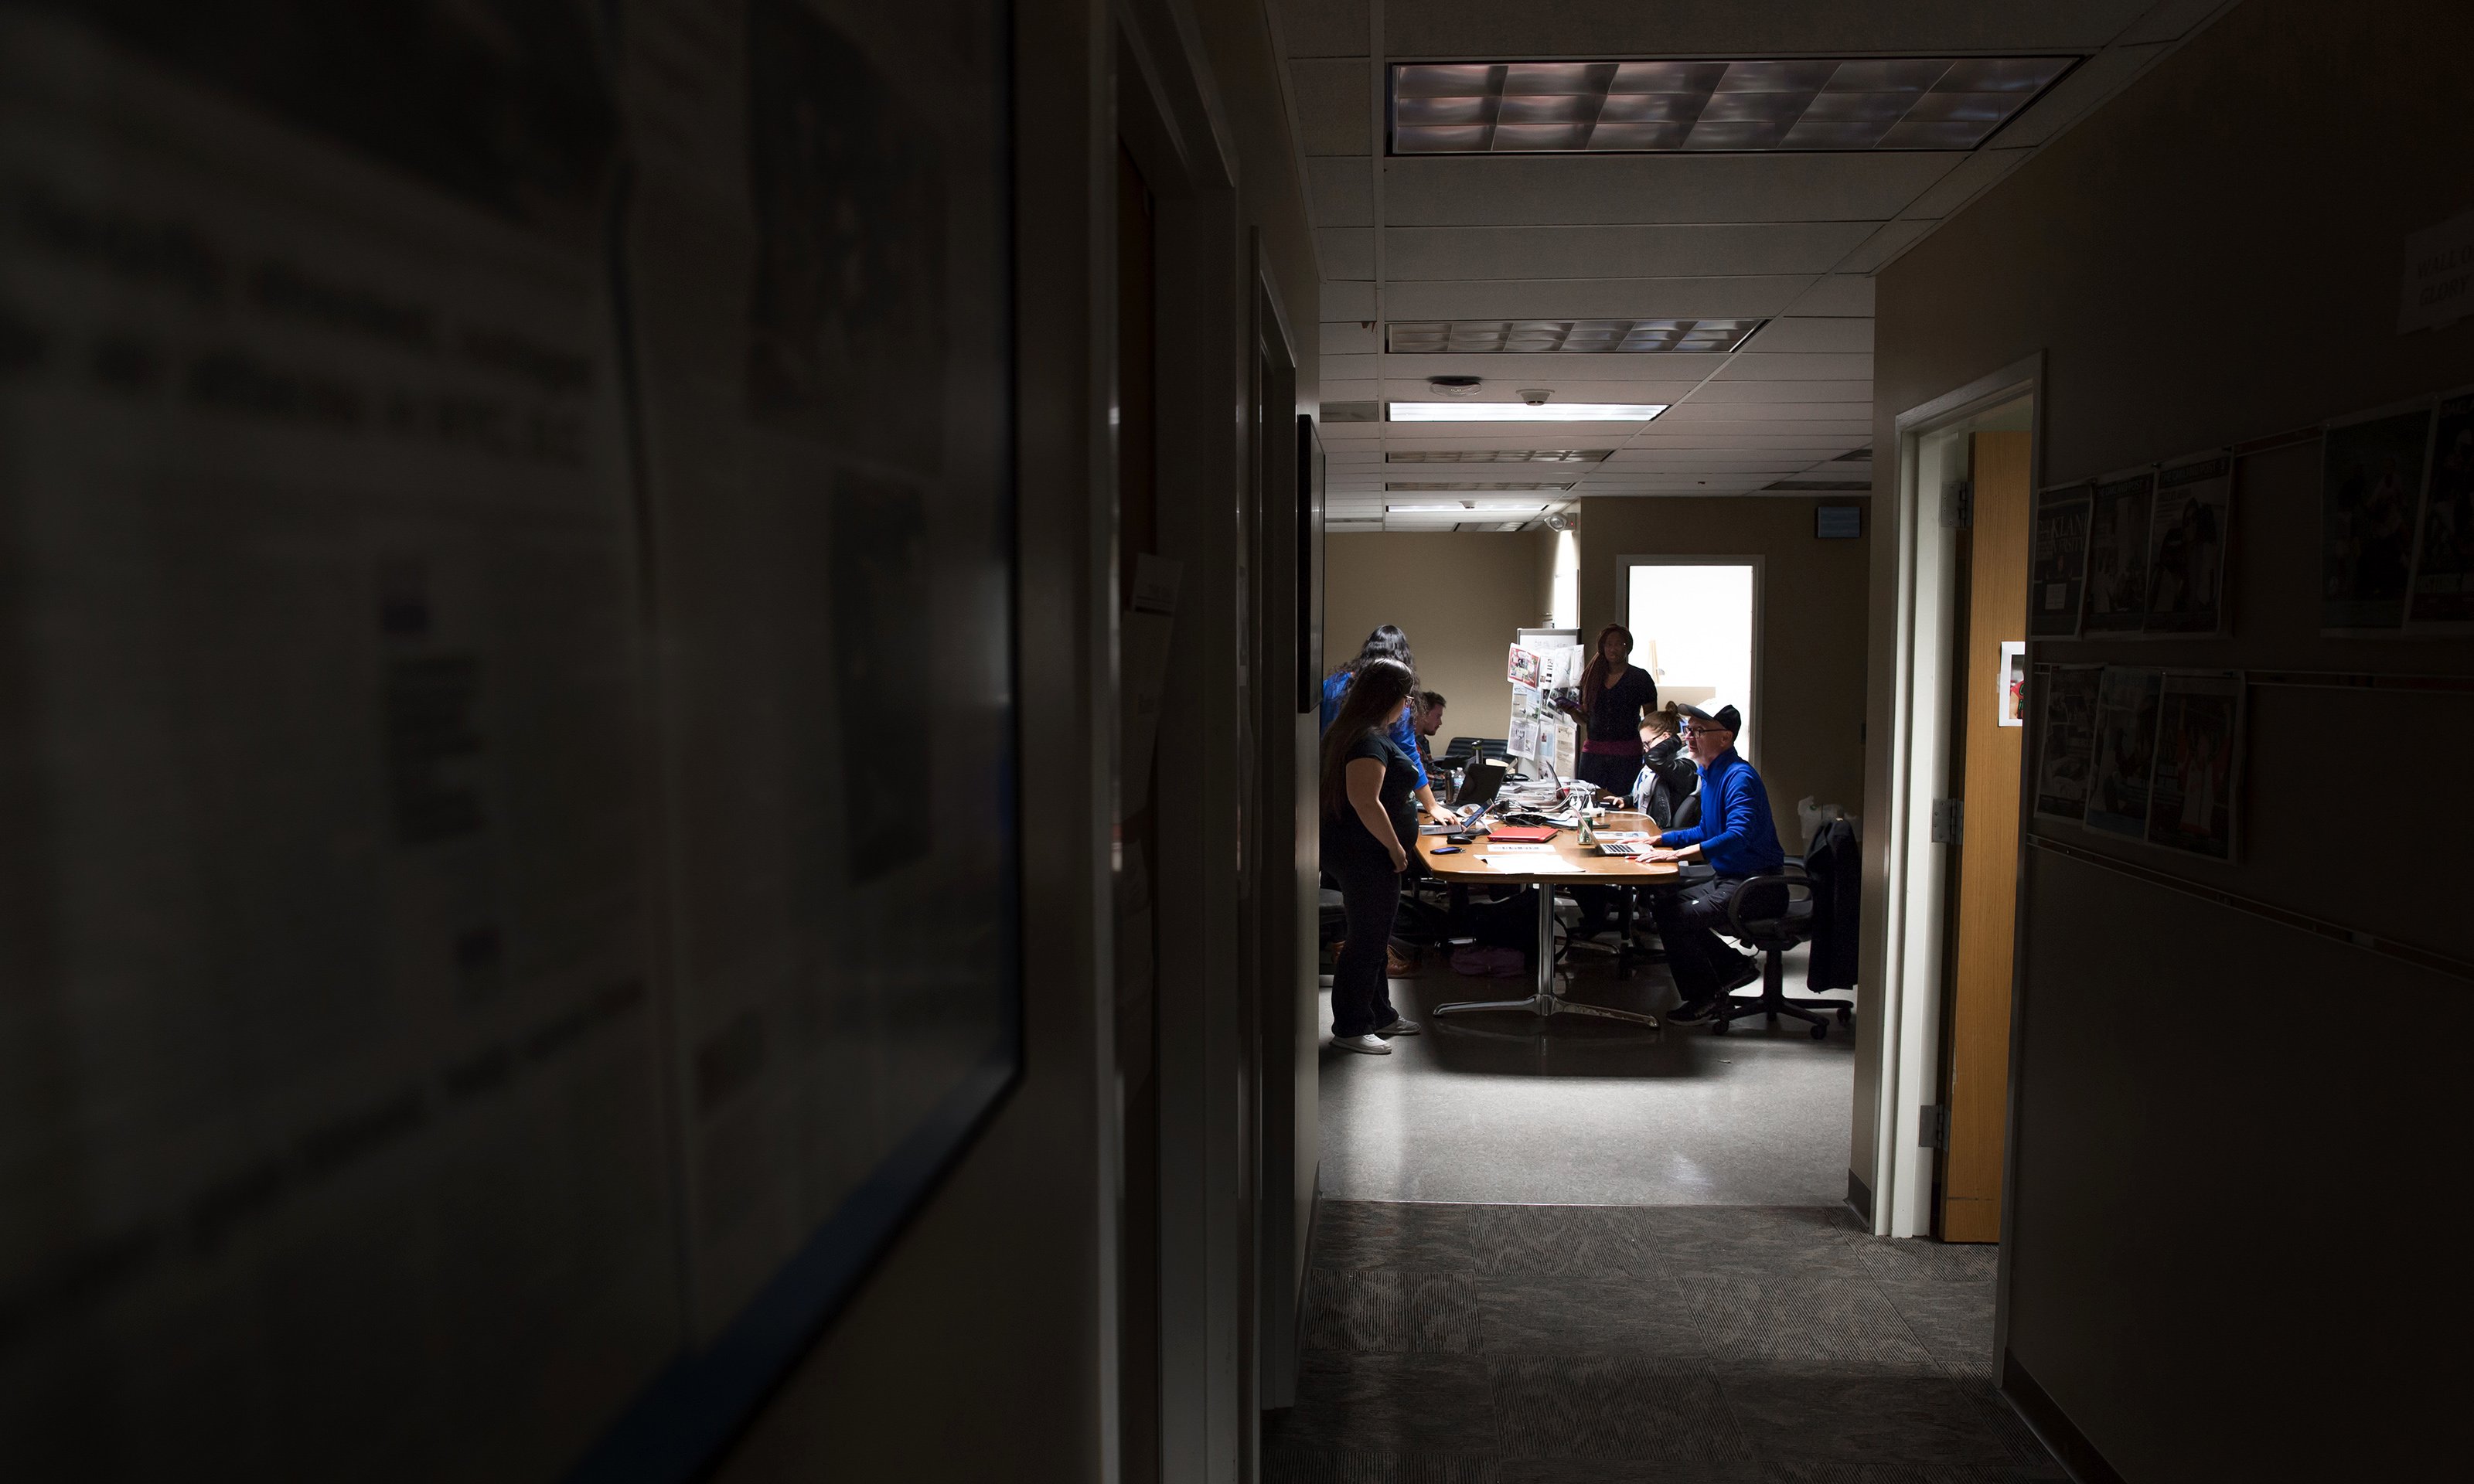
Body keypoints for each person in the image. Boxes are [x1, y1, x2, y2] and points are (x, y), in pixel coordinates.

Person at [1640, 702, 1787, 1023]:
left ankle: (1706, 998)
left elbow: (1737, 836)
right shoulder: (1710, 773)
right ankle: (1734, 966)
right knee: (1664, 906)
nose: (1689, 737)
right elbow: (1707, 830)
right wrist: (1662, 839)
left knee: (1677, 916)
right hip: (1731, 879)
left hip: (1758, 886)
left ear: (1725, 737)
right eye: (1688, 730)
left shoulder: (1739, 777)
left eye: (1699, 731)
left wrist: (1677, 855)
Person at [1318, 658, 1423, 1055]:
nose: (1408, 704)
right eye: (1406, 697)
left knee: (1377, 937)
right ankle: (1350, 1026)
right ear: (1389, 696)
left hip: (1361, 852)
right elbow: (1365, 800)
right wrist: (1396, 848)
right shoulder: (1365, 740)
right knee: (1366, 941)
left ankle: (1380, 1014)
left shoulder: (1361, 732)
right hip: (1366, 854)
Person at [1320, 625, 1447, 822]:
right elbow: (1408, 752)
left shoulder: (1332, 684)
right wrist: (1432, 806)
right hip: (1370, 802)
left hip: (1324, 792)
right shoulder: (1393, 697)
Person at [1557, 624, 1658, 804]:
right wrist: (1572, 711)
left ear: (1628, 647)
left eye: (1619, 644)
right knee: (1587, 802)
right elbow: (1586, 720)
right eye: (1609, 644)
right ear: (1603, 648)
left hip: (1627, 755)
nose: (1613, 649)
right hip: (1593, 755)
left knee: (1621, 804)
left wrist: (1648, 754)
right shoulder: (1592, 677)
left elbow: (1652, 720)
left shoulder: (1640, 678)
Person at [1414, 689, 1447, 771]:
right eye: (1438, 717)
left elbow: (1430, 770)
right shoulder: (1411, 744)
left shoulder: (1422, 741)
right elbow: (1422, 776)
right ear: (1424, 714)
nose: (1440, 723)